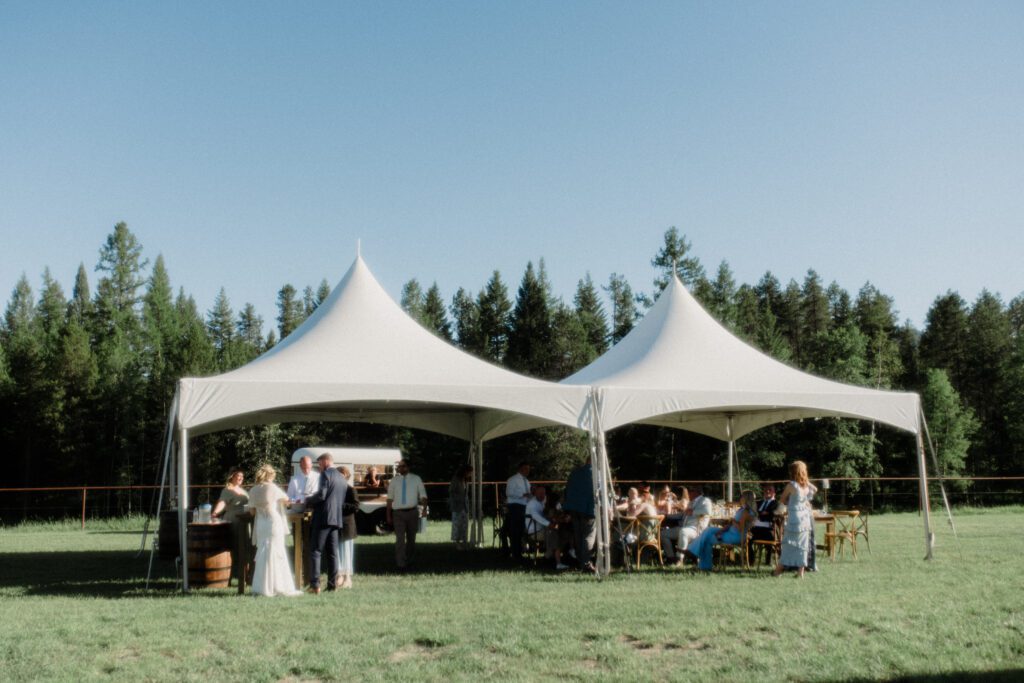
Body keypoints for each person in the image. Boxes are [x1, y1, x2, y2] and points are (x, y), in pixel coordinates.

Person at [246, 464, 302, 597]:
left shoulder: (253, 490)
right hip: (272, 522)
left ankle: (262, 587)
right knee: (276, 551)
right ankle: (278, 585)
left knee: (263, 553)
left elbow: (252, 512)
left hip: (260, 523)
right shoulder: (273, 488)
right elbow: (288, 501)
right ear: (270, 476)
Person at [303, 453, 347, 593]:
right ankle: (332, 585)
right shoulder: (342, 477)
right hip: (336, 519)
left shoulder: (325, 474)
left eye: (320, 463)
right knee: (333, 553)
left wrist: (308, 500)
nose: (319, 466)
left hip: (323, 518)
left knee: (315, 551)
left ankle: (315, 585)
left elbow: (322, 495)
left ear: (326, 461)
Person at [688, 490, 757, 571]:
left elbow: (740, 528)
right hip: (730, 532)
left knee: (707, 539)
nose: (740, 498)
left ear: (746, 498)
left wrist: (733, 521)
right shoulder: (742, 509)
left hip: (737, 536)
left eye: (741, 496)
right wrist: (721, 530)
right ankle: (694, 552)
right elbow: (732, 524)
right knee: (708, 530)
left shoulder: (747, 512)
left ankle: (702, 564)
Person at [774, 461, 818, 578]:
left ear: (792, 472)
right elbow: (815, 489)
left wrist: (790, 504)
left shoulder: (791, 485)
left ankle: (779, 570)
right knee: (803, 545)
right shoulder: (806, 486)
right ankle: (800, 571)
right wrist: (806, 481)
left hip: (795, 518)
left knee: (789, 543)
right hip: (805, 517)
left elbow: (782, 500)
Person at [211, 468, 252, 587]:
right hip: (234, 522)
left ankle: (246, 577)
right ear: (231, 477)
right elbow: (222, 502)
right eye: (238, 476)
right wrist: (215, 513)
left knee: (246, 549)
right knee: (235, 550)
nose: (240, 478)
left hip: (245, 522)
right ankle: (229, 578)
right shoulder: (227, 490)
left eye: (242, 476)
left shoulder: (243, 490)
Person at [386, 458, 428, 571]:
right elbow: (389, 499)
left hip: (412, 512)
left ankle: (410, 561)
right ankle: (400, 563)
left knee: (411, 539)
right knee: (400, 539)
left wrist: (424, 509)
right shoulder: (394, 481)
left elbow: (423, 495)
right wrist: (388, 515)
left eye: (401, 466)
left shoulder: (416, 479)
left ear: (407, 467)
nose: (399, 468)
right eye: (398, 466)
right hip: (398, 513)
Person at [562, 459, 596, 572]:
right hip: (588, 509)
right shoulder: (596, 473)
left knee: (578, 536)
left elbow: (567, 490)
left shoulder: (575, 472)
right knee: (588, 536)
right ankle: (586, 563)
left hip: (574, 509)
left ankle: (581, 562)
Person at [334, 465, 359, 589]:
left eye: (341, 474)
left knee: (347, 551)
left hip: (347, 525)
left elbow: (355, 507)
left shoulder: (351, 490)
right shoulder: (333, 490)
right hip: (335, 524)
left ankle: (348, 578)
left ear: (346, 476)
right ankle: (339, 575)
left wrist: (340, 506)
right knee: (337, 550)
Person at [505, 461, 531, 561]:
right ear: (520, 469)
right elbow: (509, 493)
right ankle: (515, 553)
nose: (528, 471)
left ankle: (520, 551)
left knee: (521, 530)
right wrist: (522, 495)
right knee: (515, 530)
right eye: (526, 469)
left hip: (524, 506)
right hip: (515, 506)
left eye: (529, 469)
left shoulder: (527, 481)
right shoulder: (512, 479)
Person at [677, 486, 713, 558]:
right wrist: (667, 516)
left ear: (695, 492)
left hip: (696, 529)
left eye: (690, 491)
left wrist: (693, 512)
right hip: (685, 526)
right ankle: (670, 557)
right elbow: (684, 514)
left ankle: (679, 558)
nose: (688, 494)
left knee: (683, 532)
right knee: (663, 534)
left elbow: (707, 511)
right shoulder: (691, 502)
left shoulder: (705, 500)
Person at [749, 484, 780, 564]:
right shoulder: (759, 502)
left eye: (770, 490)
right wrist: (762, 513)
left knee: (768, 541)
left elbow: (771, 515)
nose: (767, 491)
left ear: (774, 493)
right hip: (755, 528)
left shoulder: (776, 503)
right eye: (766, 490)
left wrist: (763, 514)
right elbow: (752, 512)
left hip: (768, 530)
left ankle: (768, 560)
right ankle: (750, 561)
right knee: (746, 538)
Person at [448, 464, 472, 550]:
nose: (470, 475)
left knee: (465, 525)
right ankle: (457, 543)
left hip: (464, 506)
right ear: (465, 472)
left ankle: (464, 542)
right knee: (457, 525)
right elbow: (451, 492)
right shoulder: (456, 479)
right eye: (469, 473)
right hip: (457, 506)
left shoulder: (465, 480)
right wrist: (458, 499)